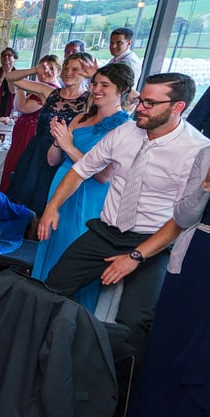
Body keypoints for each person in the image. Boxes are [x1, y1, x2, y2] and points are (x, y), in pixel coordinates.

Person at [40, 73, 210, 359]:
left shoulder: (198, 150)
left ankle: (117, 392)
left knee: (136, 321)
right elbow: (82, 170)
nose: (140, 107)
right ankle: (47, 359)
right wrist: (51, 207)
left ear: (177, 107)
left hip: (154, 240)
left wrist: (135, 257)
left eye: (150, 103)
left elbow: (182, 219)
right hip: (106, 233)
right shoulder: (124, 132)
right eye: (141, 99)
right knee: (52, 290)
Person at [127, 146, 210, 417]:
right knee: (171, 337)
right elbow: (184, 217)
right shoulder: (206, 154)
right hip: (195, 255)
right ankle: (155, 416)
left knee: (203, 353)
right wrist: (204, 187)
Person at [29, 64, 132, 310]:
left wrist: (69, 146)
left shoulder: (125, 128)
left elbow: (103, 176)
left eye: (104, 85)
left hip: (87, 197)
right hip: (60, 192)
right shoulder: (80, 117)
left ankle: (67, 318)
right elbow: (51, 160)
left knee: (71, 252)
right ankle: (39, 311)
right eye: (95, 83)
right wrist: (57, 142)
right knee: (50, 246)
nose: (96, 89)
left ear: (122, 90)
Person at [6, 53, 95, 217]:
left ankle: (38, 239)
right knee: (22, 203)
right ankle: (21, 239)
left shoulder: (90, 100)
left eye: (76, 69)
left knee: (46, 204)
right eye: (67, 68)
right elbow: (11, 77)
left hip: (63, 156)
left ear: (85, 72)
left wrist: (95, 76)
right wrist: (36, 69)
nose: (68, 72)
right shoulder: (49, 92)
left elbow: (125, 98)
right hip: (36, 152)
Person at [0, 54, 61, 193]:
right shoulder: (37, 87)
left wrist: (20, 87)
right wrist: (33, 71)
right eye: (43, 68)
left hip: (30, 133)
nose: (46, 71)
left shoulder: (50, 89)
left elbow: (24, 107)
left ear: (58, 71)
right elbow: (11, 78)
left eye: (51, 68)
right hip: (23, 130)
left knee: (18, 166)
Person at [0, 47, 18, 116]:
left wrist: (9, 74)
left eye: (9, 55)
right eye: (4, 55)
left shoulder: (18, 75)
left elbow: (13, 91)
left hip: (11, 110)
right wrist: (3, 75)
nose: (6, 57)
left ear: (14, 58)